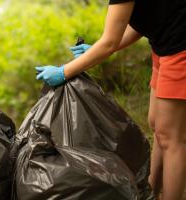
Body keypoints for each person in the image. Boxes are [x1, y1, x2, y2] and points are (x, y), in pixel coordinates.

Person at [35, 0, 186, 199]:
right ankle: (151, 191)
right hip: (165, 44)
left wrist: (64, 72)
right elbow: (142, 21)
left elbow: (109, 43)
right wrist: (97, 47)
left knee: (172, 139)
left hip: (180, 49)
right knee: (157, 125)